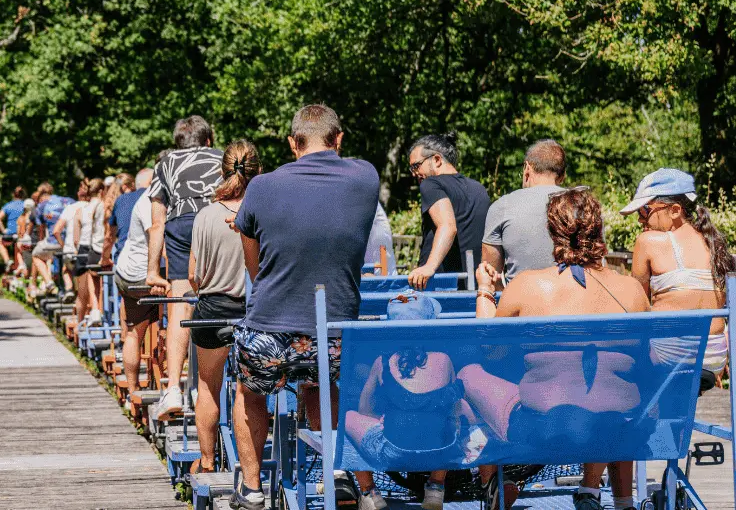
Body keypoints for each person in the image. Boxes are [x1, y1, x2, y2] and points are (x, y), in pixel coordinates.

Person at [229, 105, 380, 510]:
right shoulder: (366, 177)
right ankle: (339, 473)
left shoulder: (261, 187)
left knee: (249, 391)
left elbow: (253, 264)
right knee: (324, 382)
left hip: (270, 332)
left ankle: (251, 487)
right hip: (334, 338)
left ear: (292, 143)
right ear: (339, 139)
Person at [473, 187, 650, 510]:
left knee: (471, 375)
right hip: (620, 429)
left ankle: (492, 482)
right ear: (598, 231)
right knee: (609, 394)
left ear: (553, 232)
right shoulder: (632, 290)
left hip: (544, 431)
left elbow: (490, 352)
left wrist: (485, 292)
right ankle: (623, 502)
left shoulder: (527, 285)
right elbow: (644, 361)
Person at [343, 294, 470, 510]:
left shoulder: (382, 362)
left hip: (393, 452)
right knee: (457, 423)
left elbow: (364, 410)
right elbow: (455, 410)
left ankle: (370, 494)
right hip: (440, 452)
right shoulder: (444, 359)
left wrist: (381, 419)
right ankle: (436, 488)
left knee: (346, 418)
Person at [625, 168, 735, 393]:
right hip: (713, 358)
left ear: (675, 210)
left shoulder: (648, 242)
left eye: (645, 210)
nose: (639, 219)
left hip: (671, 355)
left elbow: (635, 303)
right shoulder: (714, 244)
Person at [188, 140, 261, 474]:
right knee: (250, 390)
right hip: (250, 310)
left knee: (207, 386)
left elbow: (193, 276)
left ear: (222, 169)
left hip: (212, 309)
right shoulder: (261, 211)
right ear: (257, 170)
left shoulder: (205, 215)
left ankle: (206, 462)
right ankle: (251, 466)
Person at [147, 116, 224, 421]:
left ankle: (174, 389)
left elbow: (156, 223)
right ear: (209, 139)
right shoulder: (222, 157)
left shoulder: (165, 164)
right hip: (220, 221)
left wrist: (153, 270)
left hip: (182, 226)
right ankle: (222, 383)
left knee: (181, 301)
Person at [407, 133, 490, 289]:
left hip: (440, 286)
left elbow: (448, 226)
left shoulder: (431, 184)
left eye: (416, 166)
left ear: (437, 160)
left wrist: (429, 267)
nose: (413, 173)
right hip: (474, 286)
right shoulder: (478, 188)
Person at [481, 139, 567, 287]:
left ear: (527, 168)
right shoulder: (585, 206)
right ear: (563, 176)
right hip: (573, 304)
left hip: (521, 306)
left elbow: (490, 275)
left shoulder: (502, 206)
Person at [113, 169, 158, 413]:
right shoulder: (155, 200)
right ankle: (167, 383)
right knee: (172, 317)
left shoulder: (130, 199)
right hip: (142, 275)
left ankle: (133, 392)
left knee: (133, 332)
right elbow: (156, 239)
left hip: (126, 271)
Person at [103, 170, 151, 269]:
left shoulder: (116, 202)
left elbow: (109, 236)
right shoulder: (148, 198)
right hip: (146, 256)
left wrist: (104, 258)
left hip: (123, 256)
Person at [75, 178, 106, 325]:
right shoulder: (104, 205)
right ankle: (99, 310)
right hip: (101, 246)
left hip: (86, 246)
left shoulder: (82, 209)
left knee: (86, 287)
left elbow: (77, 236)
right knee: (102, 283)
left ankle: (90, 314)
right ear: (101, 191)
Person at [32, 183, 70, 291]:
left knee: (36, 255)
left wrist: (41, 241)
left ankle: (48, 282)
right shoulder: (66, 201)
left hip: (54, 241)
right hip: (69, 242)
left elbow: (41, 229)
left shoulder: (42, 205)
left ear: (40, 194)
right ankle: (67, 288)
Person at [52, 182, 88, 296]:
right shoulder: (93, 207)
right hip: (88, 250)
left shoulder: (70, 208)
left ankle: (68, 290)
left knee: (66, 269)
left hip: (70, 250)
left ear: (78, 194)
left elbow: (56, 231)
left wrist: (63, 246)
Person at [0, 186, 27, 269]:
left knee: (0, 242)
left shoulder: (8, 205)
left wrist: (3, 230)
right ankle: (21, 267)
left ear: (13, 195)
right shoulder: (25, 205)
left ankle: (7, 261)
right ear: (23, 195)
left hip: (10, 233)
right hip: (22, 234)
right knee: (18, 249)